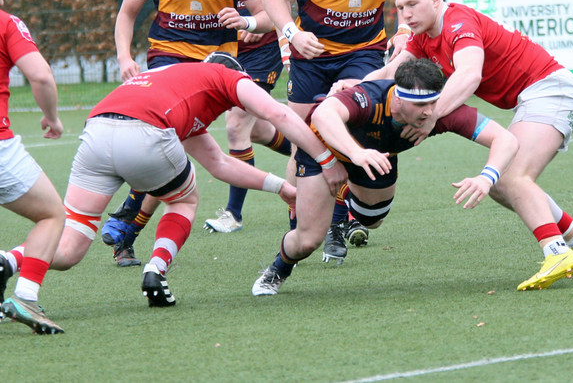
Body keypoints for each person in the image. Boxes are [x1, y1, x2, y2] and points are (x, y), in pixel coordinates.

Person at [253, 58, 573, 294]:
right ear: (397, 100)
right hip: (324, 151)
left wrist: (487, 177)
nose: (428, 114)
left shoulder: (437, 113)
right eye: (420, 106)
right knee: (308, 240)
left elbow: (506, 140)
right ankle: (277, 270)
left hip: (376, 158)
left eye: (433, 104)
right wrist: (350, 156)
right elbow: (323, 116)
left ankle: (343, 198)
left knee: (372, 220)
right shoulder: (370, 98)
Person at [25, 54, 346, 308]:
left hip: (96, 133)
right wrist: (326, 159)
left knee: (69, 248)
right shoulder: (227, 76)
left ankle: (10, 260)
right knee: (183, 199)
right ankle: (156, 269)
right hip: (144, 131)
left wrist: (281, 187)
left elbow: (219, 164)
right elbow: (280, 114)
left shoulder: (177, 83)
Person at [364, 0, 573, 290]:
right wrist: (353, 89)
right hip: (536, 96)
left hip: (552, 91)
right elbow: (390, 72)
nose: (405, 14)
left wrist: (431, 116)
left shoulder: (457, 22)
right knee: (499, 185)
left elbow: (469, 74)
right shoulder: (423, 37)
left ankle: (557, 251)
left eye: (412, 4)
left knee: (510, 176)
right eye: (400, 7)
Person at [101, 0, 270, 263]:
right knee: (168, 140)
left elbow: (265, 17)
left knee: (173, 145)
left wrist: (245, 21)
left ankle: (127, 221)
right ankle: (126, 225)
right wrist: (124, 57)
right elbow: (127, 14)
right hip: (168, 58)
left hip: (216, 67)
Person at [260, 0, 424, 263]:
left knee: (346, 126)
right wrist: (292, 33)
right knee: (303, 139)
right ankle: (302, 223)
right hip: (312, 55)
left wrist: (405, 29)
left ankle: (336, 224)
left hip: (363, 52)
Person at [203, 0, 294, 234]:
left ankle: (233, 214)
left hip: (260, 52)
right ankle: (313, 152)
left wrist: (257, 21)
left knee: (237, 123)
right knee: (256, 130)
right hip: (225, 53)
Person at [0, 0, 66, 334]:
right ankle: (25, 297)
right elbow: (40, 76)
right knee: (52, 215)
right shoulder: (7, 23)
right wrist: (52, 118)